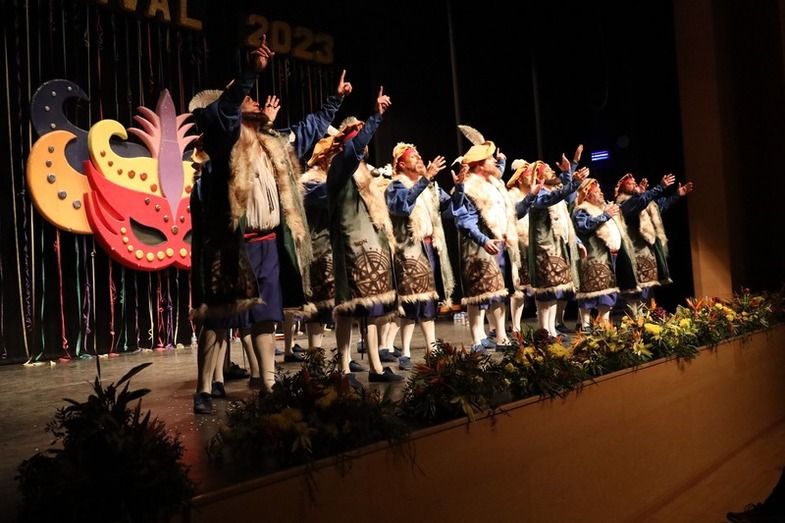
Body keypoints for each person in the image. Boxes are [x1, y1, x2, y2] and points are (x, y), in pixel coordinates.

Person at [188, 38, 348, 410]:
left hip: (267, 244)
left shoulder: (272, 142)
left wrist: (335, 100)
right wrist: (249, 73)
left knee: (265, 316)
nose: (255, 101)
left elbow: (309, 129)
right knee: (219, 315)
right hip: (233, 244)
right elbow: (224, 112)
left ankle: (270, 384)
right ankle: (204, 389)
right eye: (247, 98)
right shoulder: (224, 139)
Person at [327, 88, 403, 382]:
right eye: (357, 135)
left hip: (368, 249)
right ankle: (343, 369)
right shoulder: (341, 165)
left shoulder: (364, 173)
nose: (363, 141)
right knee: (347, 309)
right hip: (350, 248)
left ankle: (375, 367)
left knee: (371, 308)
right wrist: (376, 117)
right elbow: (355, 148)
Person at [451, 141, 525, 352]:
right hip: (478, 247)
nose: (495, 161)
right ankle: (476, 339)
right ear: (480, 165)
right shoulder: (470, 188)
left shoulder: (494, 184)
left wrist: (529, 199)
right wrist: (483, 240)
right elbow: (465, 220)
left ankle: (501, 337)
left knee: (499, 292)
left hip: (498, 245)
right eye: (490, 158)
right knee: (479, 295)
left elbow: (509, 212)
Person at [386, 143, 453, 369]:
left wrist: (460, 187)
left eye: (419, 155)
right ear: (401, 164)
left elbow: (449, 208)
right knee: (410, 300)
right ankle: (405, 350)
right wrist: (425, 180)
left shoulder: (429, 187)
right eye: (413, 157)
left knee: (428, 301)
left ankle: (431, 347)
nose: (419, 159)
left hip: (428, 247)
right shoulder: (396, 186)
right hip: (409, 250)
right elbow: (402, 207)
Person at [614, 172, 694, 305]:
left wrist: (677, 195)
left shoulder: (640, 200)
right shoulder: (623, 203)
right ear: (622, 188)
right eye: (630, 183)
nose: (634, 184)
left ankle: (647, 313)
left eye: (634, 182)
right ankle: (635, 314)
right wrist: (660, 187)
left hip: (648, 251)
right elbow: (640, 202)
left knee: (648, 287)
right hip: (635, 252)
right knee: (636, 290)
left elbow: (658, 207)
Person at [526, 161, 586, 336]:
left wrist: (569, 174)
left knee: (555, 290)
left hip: (557, 246)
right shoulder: (538, 193)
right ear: (538, 176)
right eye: (547, 170)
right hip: (543, 247)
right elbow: (551, 199)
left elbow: (568, 201)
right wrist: (571, 179)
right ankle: (544, 329)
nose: (552, 172)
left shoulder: (553, 192)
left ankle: (551, 328)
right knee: (545, 291)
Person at [572, 178, 639, 328]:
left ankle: (603, 323)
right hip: (593, 257)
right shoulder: (581, 210)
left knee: (607, 292)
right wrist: (605, 216)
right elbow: (584, 226)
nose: (601, 193)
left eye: (600, 190)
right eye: (597, 192)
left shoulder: (603, 209)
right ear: (588, 195)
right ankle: (585, 325)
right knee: (590, 291)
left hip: (609, 257)